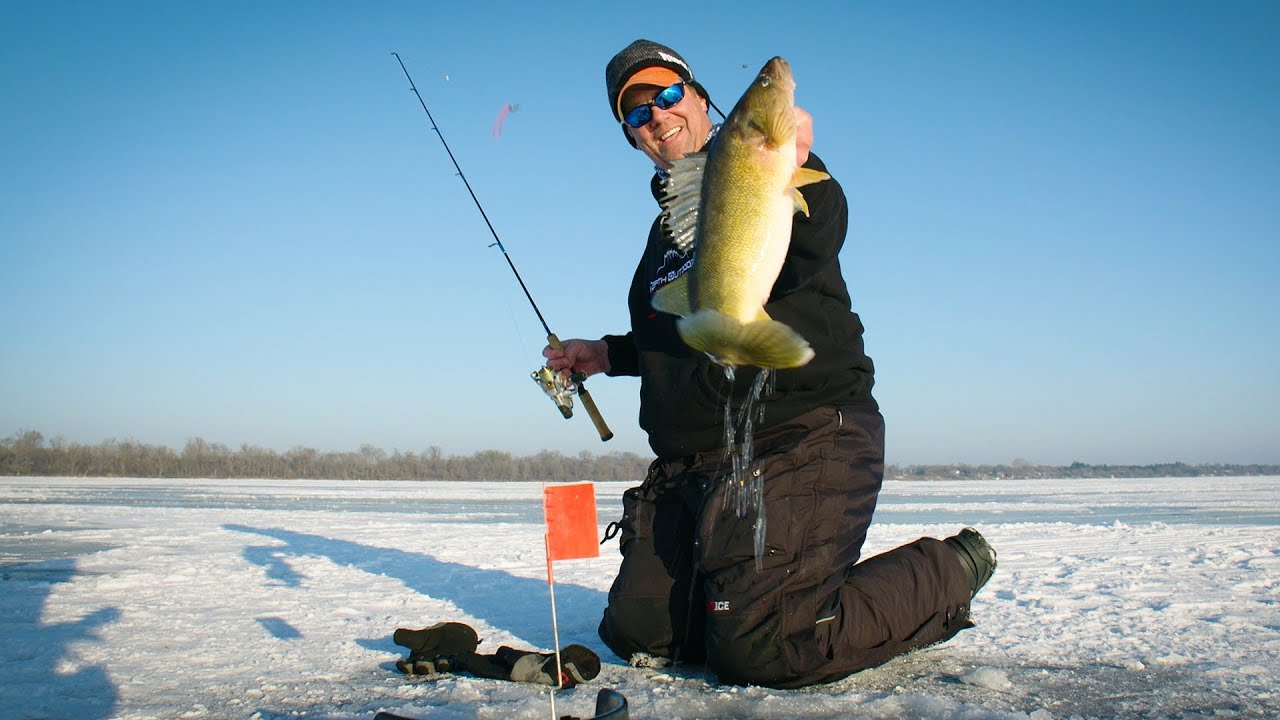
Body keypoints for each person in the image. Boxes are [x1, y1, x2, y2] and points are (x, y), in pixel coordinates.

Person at [543, 39, 997, 689]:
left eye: (667, 96)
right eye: (636, 114)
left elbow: (816, 234)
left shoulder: (759, 169)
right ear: (631, 136)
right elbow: (689, 330)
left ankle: (948, 570)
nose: (657, 116)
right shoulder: (666, 230)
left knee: (769, 649)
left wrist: (795, 159)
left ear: (700, 101)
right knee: (642, 635)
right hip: (699, 463)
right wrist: (607, 355)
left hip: (798, 433)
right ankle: (739, 591)